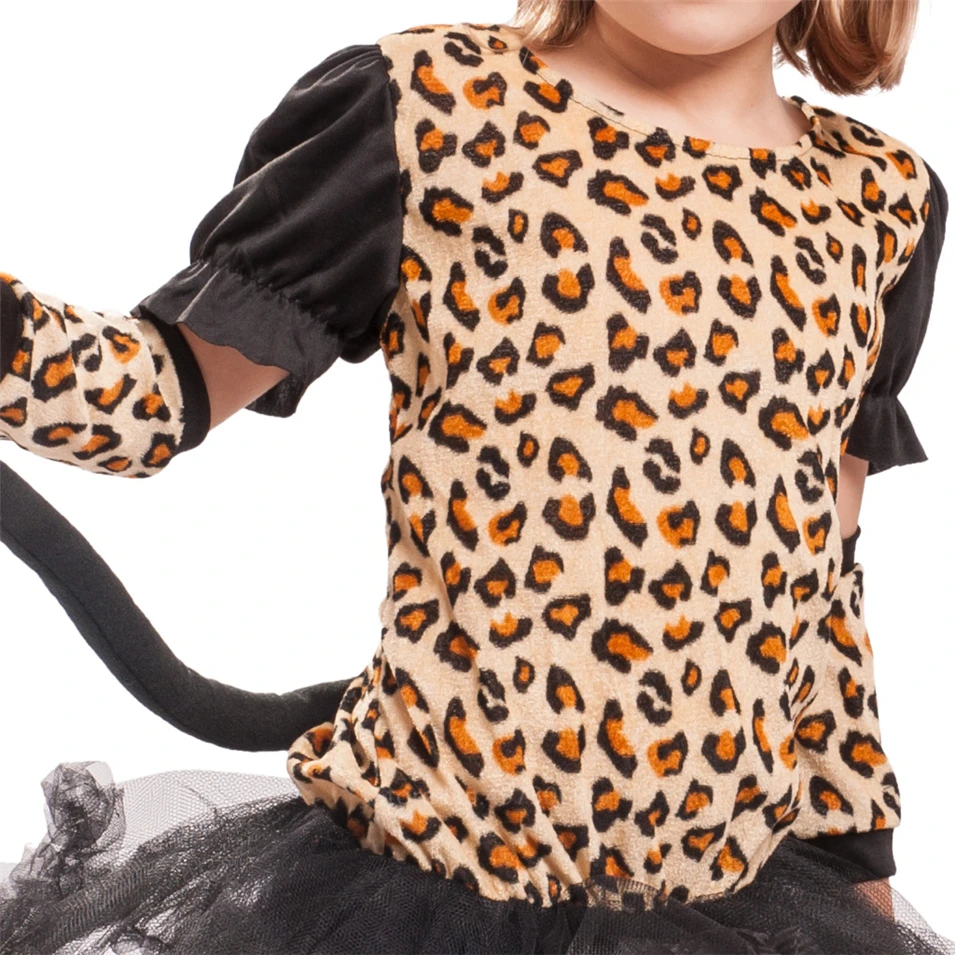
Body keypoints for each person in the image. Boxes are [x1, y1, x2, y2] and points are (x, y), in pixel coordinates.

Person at [1, 0, 953, 951]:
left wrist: (855, 866)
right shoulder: (430, 108)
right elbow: (158, 392)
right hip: (427, 889)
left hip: (725, 901)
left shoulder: (877, 201)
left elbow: (821, 582)